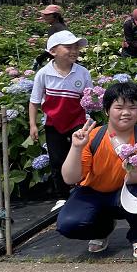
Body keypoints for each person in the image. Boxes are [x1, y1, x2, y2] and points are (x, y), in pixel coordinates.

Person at [56, 82, 137, 258]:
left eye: (132, 107)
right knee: (69, 224)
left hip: (126, 190)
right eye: (119, 107)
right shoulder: (93, 136)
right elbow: (70, 178)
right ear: (106, 110)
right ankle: (101, 230)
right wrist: (76, 147)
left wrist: (134, 169)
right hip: (92, 191)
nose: (126, 112)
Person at [28, 31, 93, 212]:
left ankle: (83, 189)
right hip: (53, 123)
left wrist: (95, 100)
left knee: (82, 155)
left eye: (76, 47)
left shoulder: (82, 72)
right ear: (53, 51)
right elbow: (34, 102)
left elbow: (90, 97)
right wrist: (33, 125)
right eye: (69, 47)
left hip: (78, 121)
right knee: (57, 160)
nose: (74, 51)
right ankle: (62, 196)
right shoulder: (43, 74)